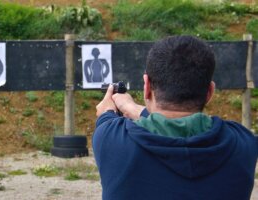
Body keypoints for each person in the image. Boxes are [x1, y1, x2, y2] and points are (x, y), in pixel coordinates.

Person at [93, 35, 258, 200]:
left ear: (147, 86)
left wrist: (117, 108)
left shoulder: (110, 138)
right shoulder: (244, 143)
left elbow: (106, 116)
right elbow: (177, 124)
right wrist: (132, 108)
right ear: (209, 92)